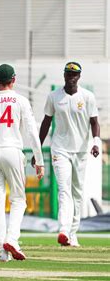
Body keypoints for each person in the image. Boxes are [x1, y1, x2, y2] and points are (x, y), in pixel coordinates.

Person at [0, 64, 44, 262]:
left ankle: (2, 250)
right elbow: (32, 131)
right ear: (13, 80)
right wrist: (39, 160)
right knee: (18, 200)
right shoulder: (21, 100)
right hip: (12, 150)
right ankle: (12, 239)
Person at [34, 62, 100, 247]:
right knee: (64, 190)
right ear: (64, 75)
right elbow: (46, 123)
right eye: (69, 74)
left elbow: (94, 122)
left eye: (75, 74)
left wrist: (95, 142)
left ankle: (73, 233)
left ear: (79, 77)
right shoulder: (54, 96)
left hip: (80, 150)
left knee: (77, 191)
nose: (71, 77)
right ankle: (63, 230)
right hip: (60, 149)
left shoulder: (87, 97)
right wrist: (37, 149)